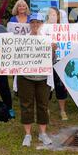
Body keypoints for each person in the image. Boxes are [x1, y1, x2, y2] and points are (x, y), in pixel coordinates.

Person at [19, 13, 56, 147]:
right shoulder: (22, 40)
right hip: (26, 78)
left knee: (43, 105)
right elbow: (14, 57)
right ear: (29, 24)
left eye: (38, 22)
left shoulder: (48, 40)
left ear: (42, 24)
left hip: (43, 78)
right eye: (33, 22)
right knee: (26, 105)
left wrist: (53, 51)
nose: (35, 25)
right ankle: (27, 135)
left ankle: (42, 133)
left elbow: (53, 61)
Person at [46, 7, 69, 120]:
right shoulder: (43, 29)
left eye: (55, 14)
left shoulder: (64, 29)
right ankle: (46, 109)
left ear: (58, 16)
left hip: (60, 61)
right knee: (47, 86)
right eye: (50, 14)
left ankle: (63, 111)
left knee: (60, 86)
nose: (52, 16)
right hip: (47, 62)